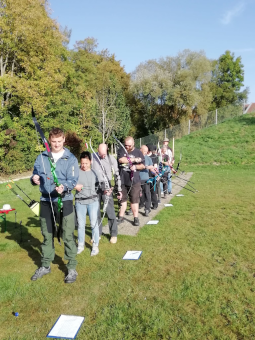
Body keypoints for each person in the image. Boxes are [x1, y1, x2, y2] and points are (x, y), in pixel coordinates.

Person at [30, 127, 79, 284]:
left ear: (63, 140)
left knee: (67, 235)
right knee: (47, 234)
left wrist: (63, 187)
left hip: (64, 200)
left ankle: (71, 268)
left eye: (59, 141)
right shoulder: (42, 157)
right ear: (49, 141)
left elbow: (73, 180)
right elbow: (35, 173)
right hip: (45, 200)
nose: (56, 144)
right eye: (53, 142)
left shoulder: (70, 158)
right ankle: (45, 265)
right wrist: (34, 179)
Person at [91, 143, 122, 244]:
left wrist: (118, 188)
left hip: (107, 186)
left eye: (104, 154)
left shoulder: (111, 159)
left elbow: (117, 174)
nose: (102, 156)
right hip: (95, 186)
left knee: (110, 211)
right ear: (97, 150)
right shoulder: (92, 157)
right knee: (95, 212)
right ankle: (97, 233)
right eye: (100, 154)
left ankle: (113, 234)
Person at [75, 151, 101, 256]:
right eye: (82, 163)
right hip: (80, 202)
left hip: (93, 202)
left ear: (90, 162)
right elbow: (69, 182)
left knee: (93, 223)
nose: (84, 165)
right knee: (81, 225)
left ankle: (95, 246)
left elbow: (99, 186)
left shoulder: (95, 173)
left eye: (86, 163)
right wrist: (74, 186)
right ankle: (80, 245)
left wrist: (106, 190)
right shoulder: (76, 172)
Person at [117, 136, 145, 226]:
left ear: (133, 144)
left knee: (134, 200)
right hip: (122, 180)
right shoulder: (122, 150)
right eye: (126, 145)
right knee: (122, 199)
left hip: (134, 181)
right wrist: (133, 160)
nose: (127, 147)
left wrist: (135, 166)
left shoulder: (138, 152)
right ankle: (121, 217)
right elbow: (121, 160)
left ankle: (136, 218)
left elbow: (143, 165)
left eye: (129, 145)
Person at [139, 145, 155, 216]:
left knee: (147, 193)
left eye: (146, 151)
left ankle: (147, 209)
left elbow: (152, 166)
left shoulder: (148, 158)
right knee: (139, 194)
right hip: (138, 179)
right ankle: (139, 205)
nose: (145, 152)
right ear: (140, 149)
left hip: (146, 179)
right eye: (144, 151)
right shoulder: (137, 158)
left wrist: (147, 167)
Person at [147, 145, 161, 209]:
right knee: (146, 191)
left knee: (153, 191)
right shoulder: (143, 157)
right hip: (145, 175)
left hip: (152, 175)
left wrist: (156, 174)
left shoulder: (154, 157)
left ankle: (155, 204)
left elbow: (155, 166)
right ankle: (146, 205)